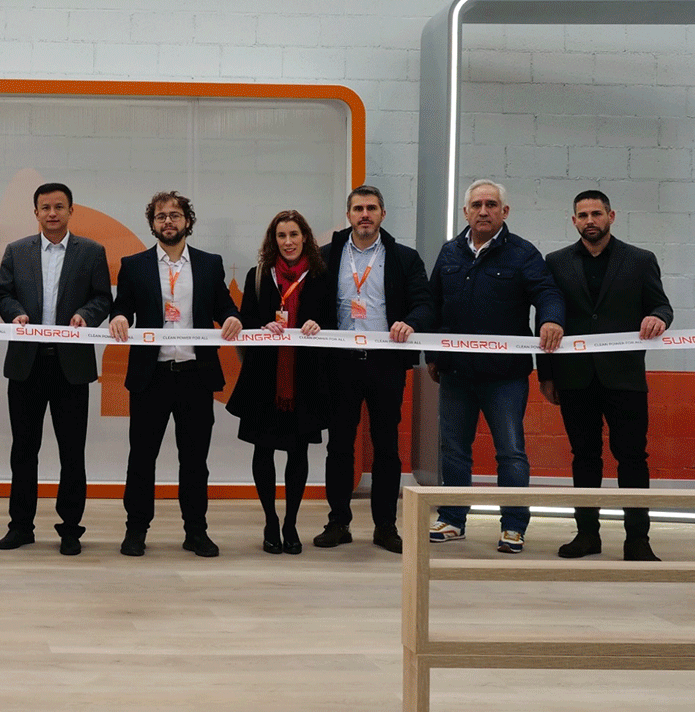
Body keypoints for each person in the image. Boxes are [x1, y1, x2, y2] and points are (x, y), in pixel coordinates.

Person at [425, 179, 565, 554]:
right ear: (466, 211)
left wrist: (551, 320)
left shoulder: (523, 254)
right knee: (453, 450)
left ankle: (514, 526)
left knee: (511, 452)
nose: (483, 211)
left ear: (504, 212)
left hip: (505, 377)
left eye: (491, 204)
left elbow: (547, 292)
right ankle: (453, 519)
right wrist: (433, 355)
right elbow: (433, 305)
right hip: (456, 373)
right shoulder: (450, 253)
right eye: (476, 205)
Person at [107, 190, 242, 559]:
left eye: (175, 215)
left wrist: (232, 317)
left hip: (196, 376)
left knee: (195, 460)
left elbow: (226, 307)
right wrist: (118, 316)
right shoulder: (133, 265)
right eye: (161, 216)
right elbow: (122, 308)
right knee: (142, 457)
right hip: (152, 376)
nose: (168, 221)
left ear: (187, 221)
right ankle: (136, 530)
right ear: (152, 224)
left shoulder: (210, 264)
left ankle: (196, 532)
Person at [540, 189, 672, 562]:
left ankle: (637, 540)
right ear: (573, 221)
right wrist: (546, 375)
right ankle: (587, 536)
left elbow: (661, 304)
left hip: (625, 377)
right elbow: (547, 320)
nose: (590, 221)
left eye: (596, 213)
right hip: (575, 377)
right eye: (582, 215)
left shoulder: (640, 260)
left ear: (611, 216)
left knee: (632, 457)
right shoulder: (557, 262)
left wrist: (658, 317)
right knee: (584, 457)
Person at [313, 185, 432, 554]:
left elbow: (425, 304)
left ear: (382, 214)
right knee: (340, 447)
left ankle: (385, 526)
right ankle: (338, 522)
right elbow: (313, 305)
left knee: (386, 448)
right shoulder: (326, 256)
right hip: (340, 364)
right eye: (358, 208)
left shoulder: (404, 258)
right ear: (348, 215)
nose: (365, 214)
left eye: (372, 208)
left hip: (385, 363)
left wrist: (410, 322)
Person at [0, 182, 112, 555]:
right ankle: (21, 526)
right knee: (24, 450)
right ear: (35, 212)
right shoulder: (17, 251)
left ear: (71, 210)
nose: (52, 213)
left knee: (71, 452)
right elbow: (4, 294)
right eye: (45, 207)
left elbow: (102, 297)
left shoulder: (91, 252)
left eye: (59, 206)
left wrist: (85, 315)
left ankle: (71, 529)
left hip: (71, 366)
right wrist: (15, 314)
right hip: (27, 364)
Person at [226, 210, 335, 555]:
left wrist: (318, 325)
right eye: (281, 236)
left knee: (298, 452)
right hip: (264, 378)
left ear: (305, 238)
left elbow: (333, 318)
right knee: (263, 450)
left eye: (293, 235)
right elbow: (244, 319)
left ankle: (291, 523)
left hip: (305, 378)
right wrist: (261, 326)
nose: (288, 242)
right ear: (273, 241)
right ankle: (270, 521)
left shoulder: (320, 275)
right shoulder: (258, 274)